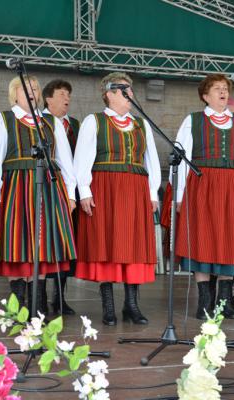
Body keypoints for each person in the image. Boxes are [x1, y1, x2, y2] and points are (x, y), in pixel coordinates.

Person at [0, 76, 77, 316]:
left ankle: (38, 301)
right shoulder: (3, 119)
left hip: (48, 187)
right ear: (15, 94)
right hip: (16, 186)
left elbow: (65, 160)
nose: (32, 92)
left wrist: (71, 193)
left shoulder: (51, 122)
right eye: (27, 89)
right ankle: (19, 300)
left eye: (35, 88)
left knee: (43, 243)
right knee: (18, 241)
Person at [73, 72, 161, 326]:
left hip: (135, 188)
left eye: (130, 89)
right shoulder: (95, 121)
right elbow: (83, 158)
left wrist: (152, 192)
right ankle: (109, 306)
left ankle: (131, 305)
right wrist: (85, 190)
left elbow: (151, 160)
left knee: (133, 244)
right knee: (107, 243)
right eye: (122, 89)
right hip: (105, 187)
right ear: (108, 94)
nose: (128, 93)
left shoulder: (141, 124)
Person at [174, 74, 234, 320]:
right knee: (204, 237)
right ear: (205, 95)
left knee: (230, 239)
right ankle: (204, 301)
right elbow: (182, 159)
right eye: (217, 89)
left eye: (225, 89)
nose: (223, 93)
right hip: (203, 185)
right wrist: (180, 195)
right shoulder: (193, 121)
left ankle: (223, 301)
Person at [42, 79, 81, 315]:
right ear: (48, 98)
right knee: (44, 241)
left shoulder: (74, 124)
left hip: (70, 190)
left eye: (69, 94)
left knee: (64, 244)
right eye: (62, 94)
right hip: (45, 188)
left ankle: (59, 296)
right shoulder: (39, 121)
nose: (67, 98)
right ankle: (39, 296)